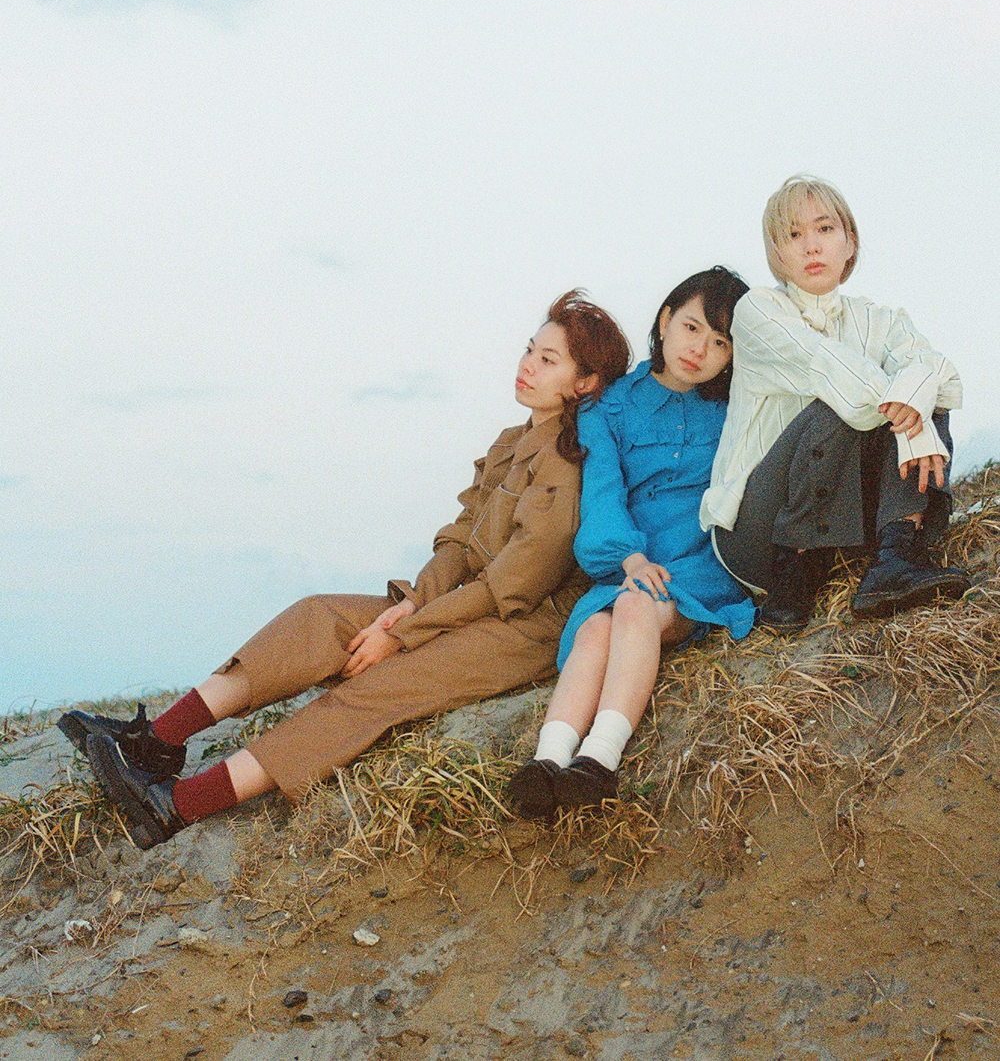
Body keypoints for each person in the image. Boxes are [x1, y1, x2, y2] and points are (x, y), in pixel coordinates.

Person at [60, 292, 630, 850]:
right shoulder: (513, 441)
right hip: (464, 603)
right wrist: (410, 605)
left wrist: (401, 635)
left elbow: (512, 587)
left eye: (548, 360)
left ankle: (176, 805)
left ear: (585, 383)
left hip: (524, 627)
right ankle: (156, 741)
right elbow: (460, 541)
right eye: (530, 349)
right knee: (320, 617)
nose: (527, 365)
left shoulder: (568, 459)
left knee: (378, 687)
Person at [506, 268, 756, 819]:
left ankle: (600, 758)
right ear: (665, 321)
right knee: (598, 626)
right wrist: (629, 557)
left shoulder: (737, 410)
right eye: (691, 327)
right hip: (629, 563)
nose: (700, 349)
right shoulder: (607, 408)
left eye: (721, 342)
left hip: (701, 563)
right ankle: (548, 761)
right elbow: (602, 492)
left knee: (638, 605)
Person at [702, 174, 970, 634]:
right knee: (846, 403)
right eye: (793, 234)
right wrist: (913, 408)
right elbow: (829, 369)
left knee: (922, 394)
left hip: (847, 529)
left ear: (850, 242)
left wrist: (918, 397)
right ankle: (796, 567)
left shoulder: (881, 319)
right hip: (758, 533)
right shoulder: (757, 310)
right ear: (776, 253)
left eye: (825, 229)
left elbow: (939, 373)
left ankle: (896, 555)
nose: (811, 246)